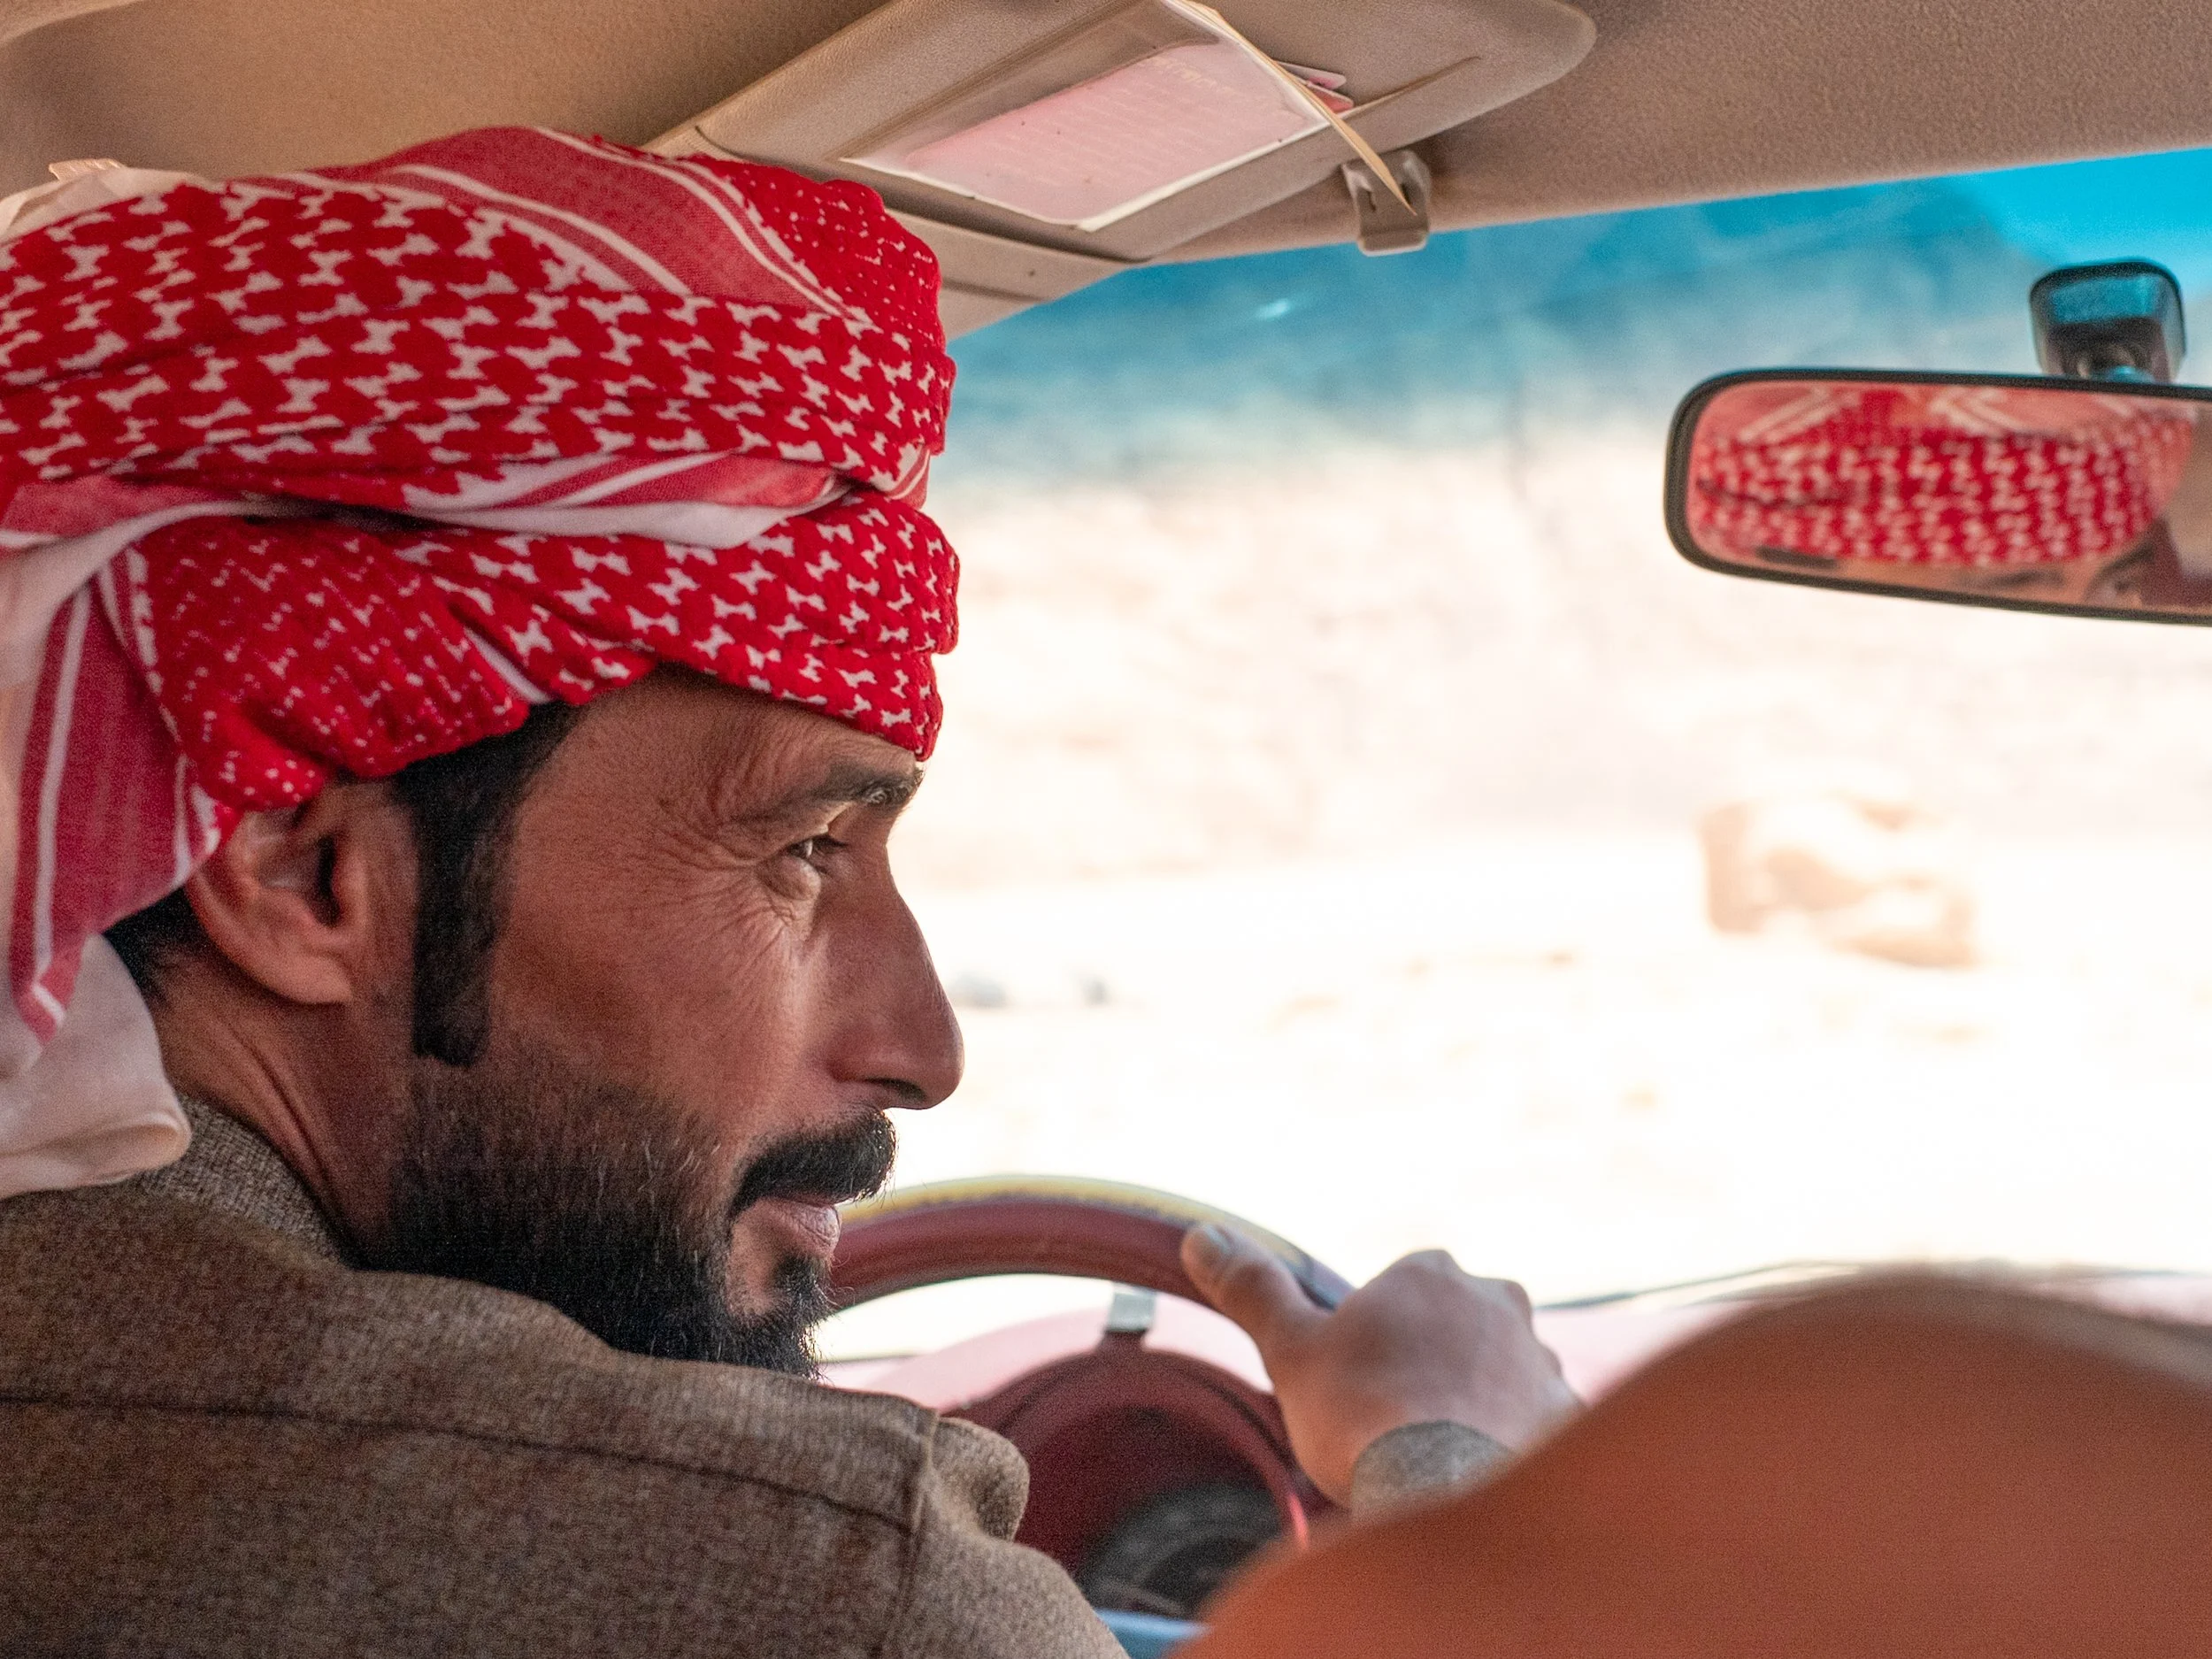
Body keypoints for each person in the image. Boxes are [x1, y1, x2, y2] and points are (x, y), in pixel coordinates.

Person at [0, 127, 1575, 1654]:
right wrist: (1471, 1504)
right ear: (302, 871)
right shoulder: (798, 1571)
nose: (925, 1047)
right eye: (801, 854)